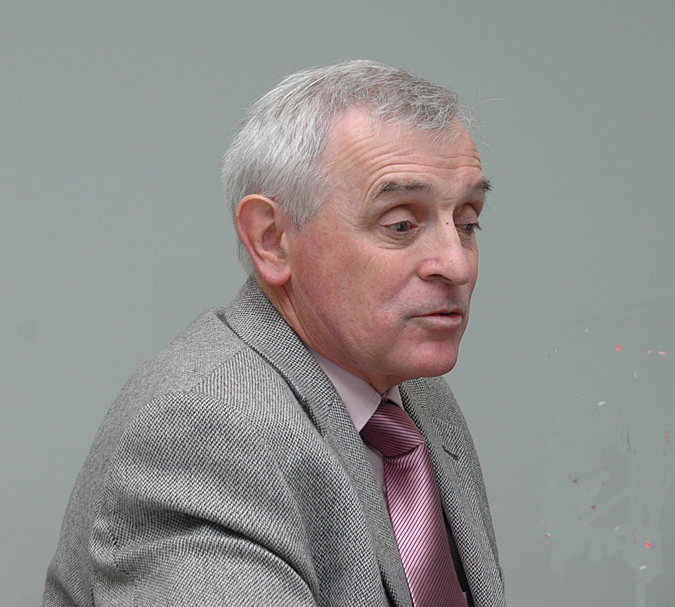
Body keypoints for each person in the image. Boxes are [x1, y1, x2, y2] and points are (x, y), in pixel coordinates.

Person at [44, 60, 506, 607]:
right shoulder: (206, 429)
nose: (456, 264)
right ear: (271, 240)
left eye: (467, 222)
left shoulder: (417, 398)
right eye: (401, 224)